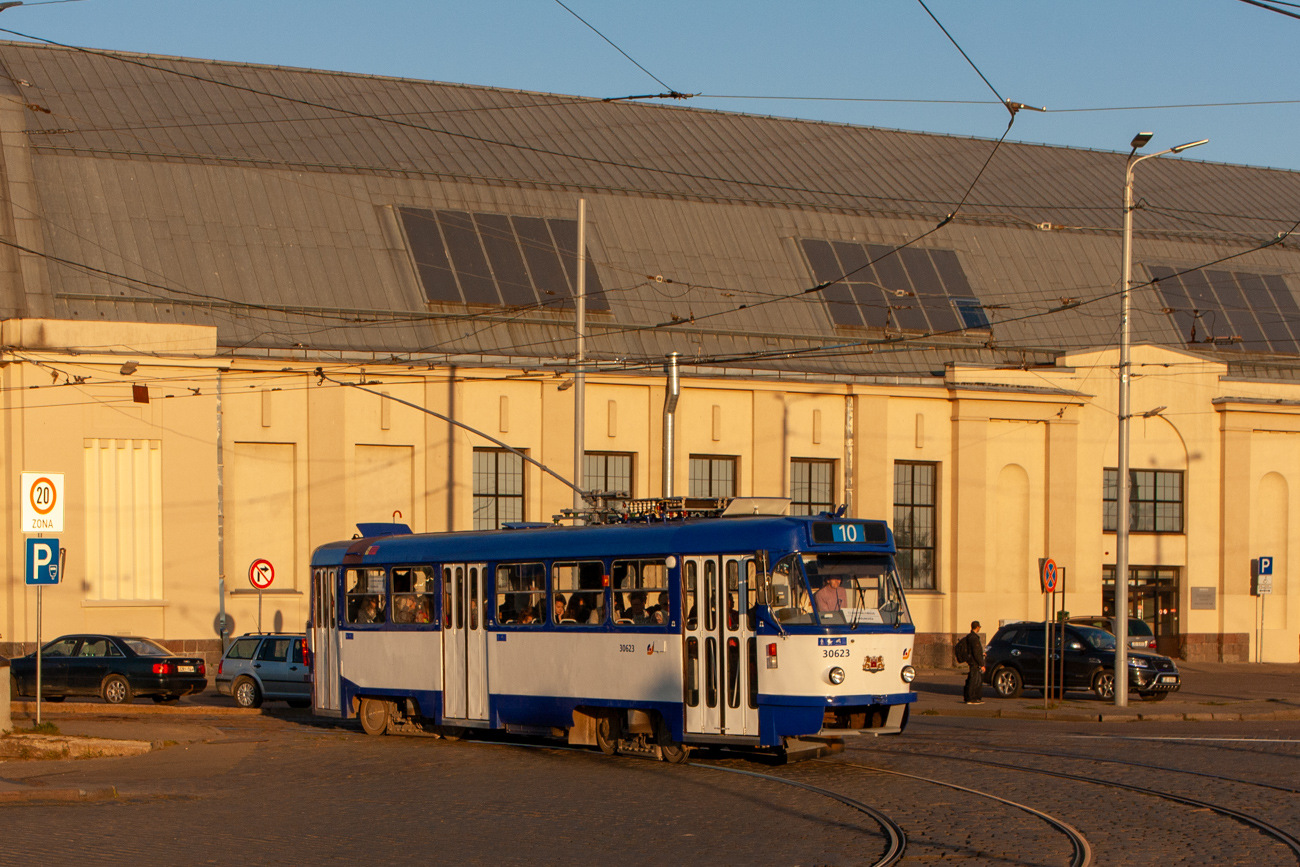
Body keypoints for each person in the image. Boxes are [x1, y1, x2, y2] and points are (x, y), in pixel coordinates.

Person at [957, 620, 985, 704]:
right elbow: (975, 652)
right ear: (977, 627)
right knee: (974, 681)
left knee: (971, 679)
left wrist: (982, 653)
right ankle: (972, 698)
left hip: (971, 661)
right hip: (974, 662)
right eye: (979, 627)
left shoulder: (969, 636)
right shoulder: (974, 638)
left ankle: (970, 697)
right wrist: (981, 664)